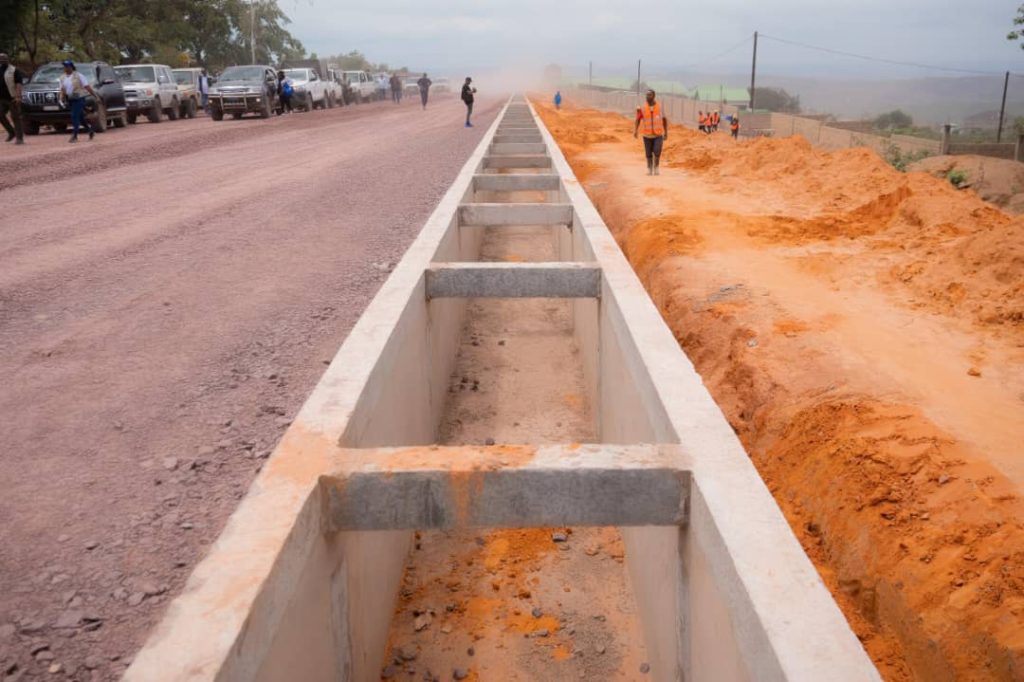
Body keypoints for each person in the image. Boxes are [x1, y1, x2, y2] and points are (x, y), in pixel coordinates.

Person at [59, 60, 98, 143]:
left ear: (71, 67)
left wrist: (94, 95)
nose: (66, 68)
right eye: (65, 66)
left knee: (74, 116)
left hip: (79, 98)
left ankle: (75, 136)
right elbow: (62, 89)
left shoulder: (79, 76)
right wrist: (61, 98)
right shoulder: (62, 77)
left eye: (68, 66)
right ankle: (90, 130)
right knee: (79, 117)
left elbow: (87, 86)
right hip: (70, 99)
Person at [633, 89, 668, 175]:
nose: (647, 97)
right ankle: (649, 168)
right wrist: (635, 130)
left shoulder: (659, 107)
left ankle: (656, 167)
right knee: (648, 154)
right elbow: (638, 119)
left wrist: (666, 132)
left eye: (649, 95)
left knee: (657, 151)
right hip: (647, 135)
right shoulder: (643, 108)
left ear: (654, 96)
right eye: (646, 95)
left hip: (658, 134)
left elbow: (664, 120)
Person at [0, 52, 26, 145]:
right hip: (2, 98)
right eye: (1, 60)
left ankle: (20, 138)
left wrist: (18, 96)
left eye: (4, 59)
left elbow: (19, 83)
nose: (2, 61)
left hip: (12, 97)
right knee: (1, 115)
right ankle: (11, 132)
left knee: (15, 117)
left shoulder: (14, 70)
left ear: (8, 60)